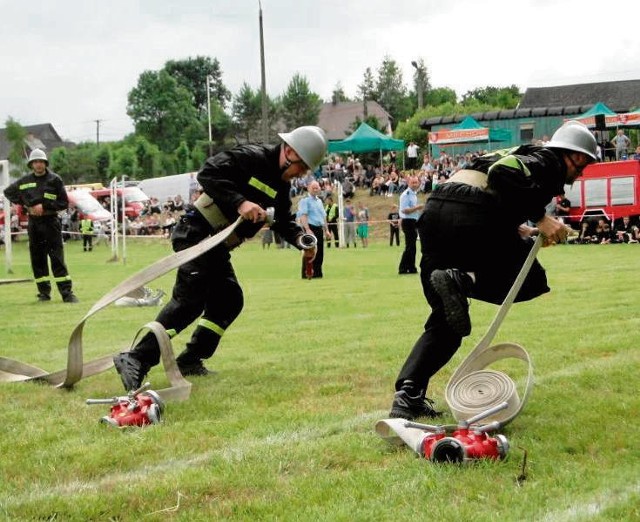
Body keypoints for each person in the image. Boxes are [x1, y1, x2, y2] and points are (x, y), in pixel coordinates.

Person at [388, 120, 598, 420]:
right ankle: (464, 280)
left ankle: (408, 395)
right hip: (470, 211)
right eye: (583, 165)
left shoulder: (511, 152)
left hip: (435, 214)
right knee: (533, 279)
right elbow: (503, 175)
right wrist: (541, 218)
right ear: (575, 156)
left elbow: (488, 182)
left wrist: (515, 227)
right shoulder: (547, 159)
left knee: (448, 320)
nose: (580, 174)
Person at [113, 126, 328, 391]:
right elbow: (208, 173)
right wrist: (241, 203)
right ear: (290, 152)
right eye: (303, 167)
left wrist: (301, 240)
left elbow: (282, 220)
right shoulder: (251, 157)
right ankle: (136, 357)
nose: (302, 174)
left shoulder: (281, 187)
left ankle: (190, 359)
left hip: (217, 247)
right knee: (189, 301)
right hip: (196, 234)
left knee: (228, 300)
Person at [3, 149, 79, 303]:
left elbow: (63, 202)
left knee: (57, 258)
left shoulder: (54, 180)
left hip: (50, 222)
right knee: (37, 259)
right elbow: (8, 192)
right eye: (35, 162)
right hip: (34, 225)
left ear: (45, 163)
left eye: (41, 161)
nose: (38, 164)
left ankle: (67, 293)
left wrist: (45, 207)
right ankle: (44, 293)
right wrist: (26, 206)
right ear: (31, 164)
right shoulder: (24, 181)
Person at [297, 180, 329, 278]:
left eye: (317, 188)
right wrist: (307, 229)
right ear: (308, 188)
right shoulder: (305, 201)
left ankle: (317, 273)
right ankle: (307, 273)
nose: (315, 190)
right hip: (310, 228)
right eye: (313, 188)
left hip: (319, 228)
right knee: (309, 252)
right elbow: (303, 215)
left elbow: (323, 217)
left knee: (319, 252)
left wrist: (326, 230)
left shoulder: (319, 201)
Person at [397, 176, 422, 274]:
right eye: (413, 182)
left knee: (412, 246)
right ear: (409, 183)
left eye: (416, 182)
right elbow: (404, 210)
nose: (415, 184)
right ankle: (402, 268)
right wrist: (417, 208)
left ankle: (411, 267)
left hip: (413, 221)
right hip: (408, 221)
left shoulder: (414, 194)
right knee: (410, 246)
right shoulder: (406, 194)